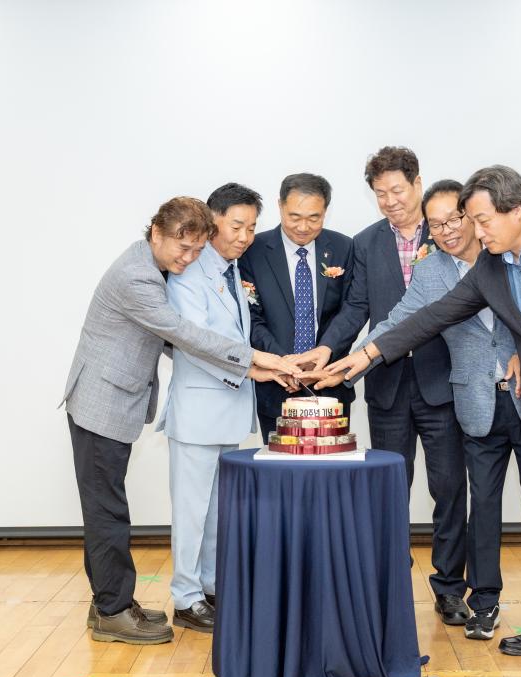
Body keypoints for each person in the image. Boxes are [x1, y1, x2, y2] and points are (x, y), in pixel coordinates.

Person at [320, 165, 521, 673]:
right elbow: (434, 314)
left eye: (481, 219)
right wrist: (365, 356)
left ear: (516, 209)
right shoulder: (493, 268)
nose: (475, 231)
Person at [61, 196, 298, 645]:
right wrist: (257, 361)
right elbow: (183, 334)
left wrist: (254, 367)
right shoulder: (138, 278)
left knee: (106, 507)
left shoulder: (153, 265)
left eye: (195, 250)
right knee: (106, 510)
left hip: (116, 398)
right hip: (100, 400)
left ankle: (110, 602)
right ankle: (112, 610)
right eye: (181, 248)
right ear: (156, 233)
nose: (187, 259)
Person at [322, 179, 521, 641]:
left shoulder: (508, 255)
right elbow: (404, 320)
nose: (445, 231)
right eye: (436, 225)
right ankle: (484, 602)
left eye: (453, 220)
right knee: (481, 507)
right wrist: (355, 360)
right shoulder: (430, 272)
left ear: (471, 215)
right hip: (477, 403)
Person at [295, 147, 470, 627]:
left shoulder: (450, 234)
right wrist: (327, 351)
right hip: (387, 383)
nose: (390, 201)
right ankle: (389, 583)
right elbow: (356, 310)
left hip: (442, 379)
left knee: (450, 488)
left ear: (417, 184)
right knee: (389, 489)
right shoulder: (366, 243)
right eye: (379, 194)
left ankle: (450, 587)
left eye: (397, 190)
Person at [156, 184, 263, 634]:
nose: (244, 236)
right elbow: (195, 342)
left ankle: (212, 587)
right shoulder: (188, 274)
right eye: (236, 225)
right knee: (192, 511)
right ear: (212, 221)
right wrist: (258, 367)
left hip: (228, 411)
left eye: (252, 228)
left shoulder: (230, 271)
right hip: (199, 412)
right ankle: (185, 596)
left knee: (220, 510)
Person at [237, 173, 357, 441]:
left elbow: (351, 309)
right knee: (280, 474)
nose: (303, 226)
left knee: (329, 475)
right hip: (275, 384)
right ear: (279, 206)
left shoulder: (343, 247)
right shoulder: (253, 251)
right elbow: (250, 317)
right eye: (294, 217)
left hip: (328, 384)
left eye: (314, 218)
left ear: (326, 210)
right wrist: (283, 363)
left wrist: (324, 354)